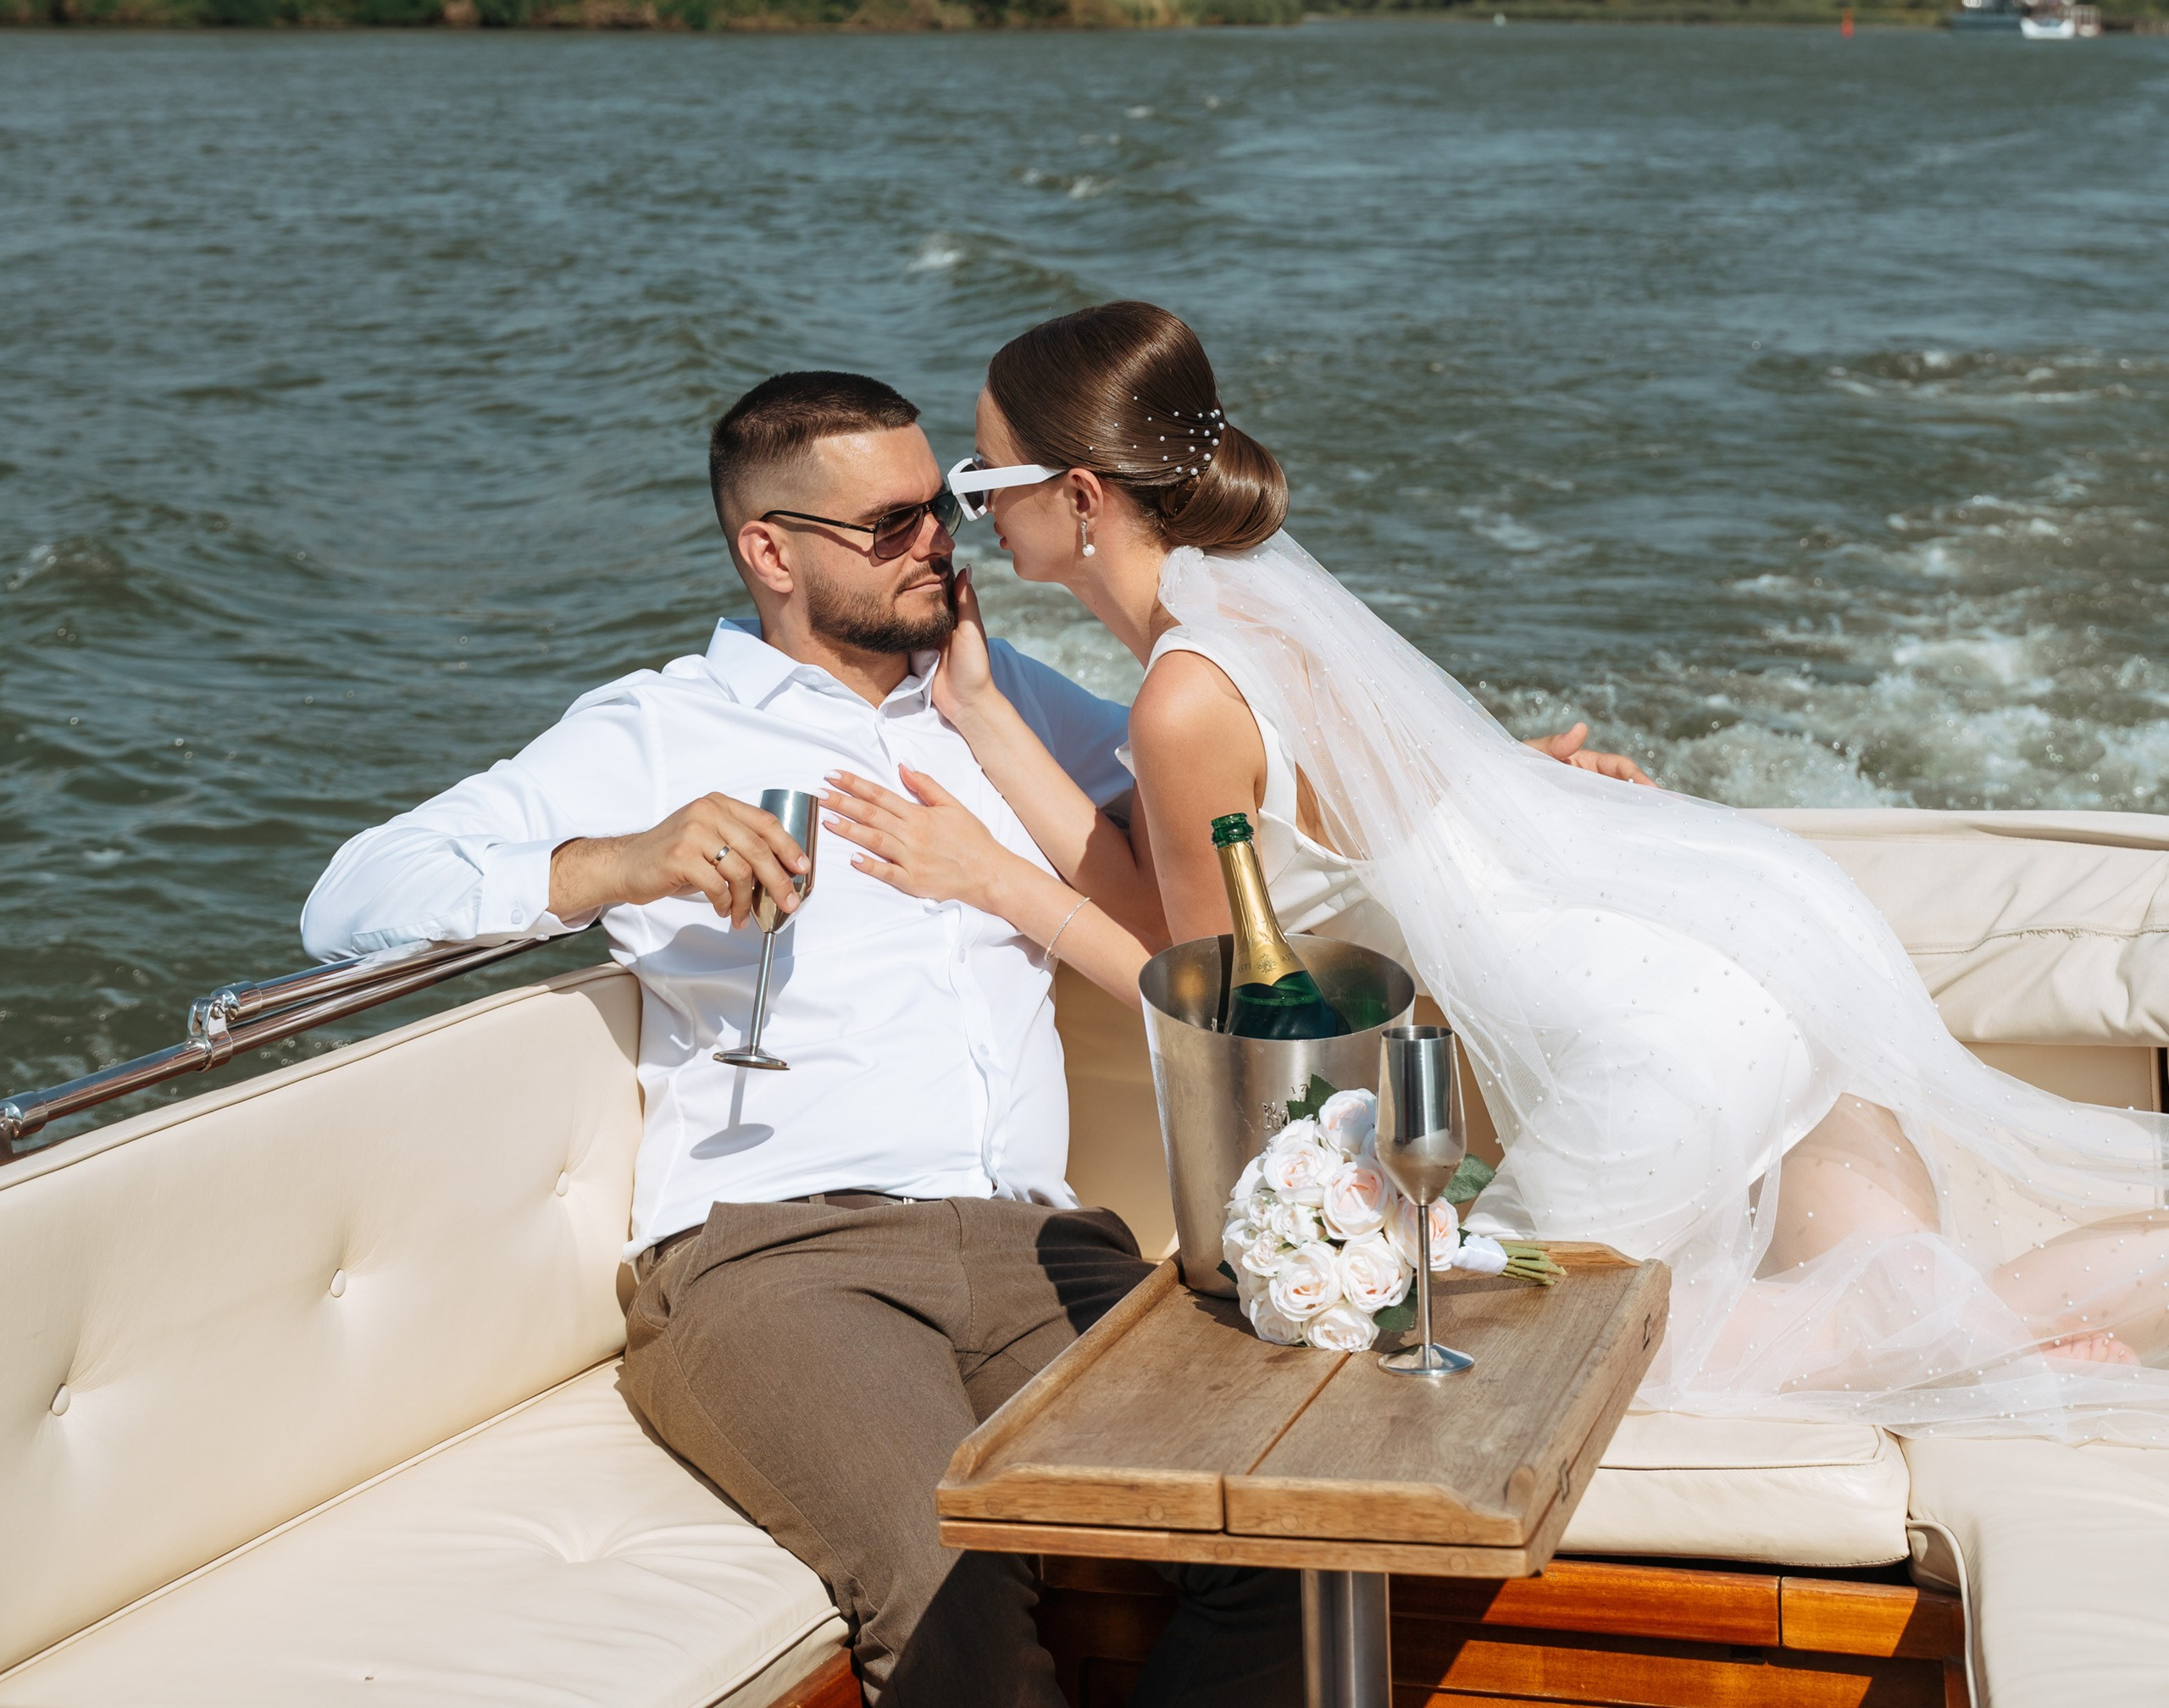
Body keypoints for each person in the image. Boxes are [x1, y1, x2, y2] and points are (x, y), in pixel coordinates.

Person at [822, 302, 2169, 1437]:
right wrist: (988, 716)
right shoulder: (1265, 608)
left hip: (1665, 1043)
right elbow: (1220, 894)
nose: (965, 518)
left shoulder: (1182, 703)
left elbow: (1221, 1011)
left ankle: (1989, 1328)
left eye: (981, 485)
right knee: (1894, 1280)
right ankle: (1965, 1335)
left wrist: (995, 883)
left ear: (1079, 496)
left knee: (1531, 1379)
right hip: (1764, 936)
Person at [302, 368, 1297, 1708]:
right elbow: (351, 895)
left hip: (1039, 1243)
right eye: (888, 527)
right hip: (777, 1256)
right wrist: (619, 861)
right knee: (952, 1581)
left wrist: (1502, 780)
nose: (939, 540)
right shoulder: (653, 729)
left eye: (940, 504)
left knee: (1297, 1539)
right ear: (769, 551)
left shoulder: (1009, 705)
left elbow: (1237, 796)